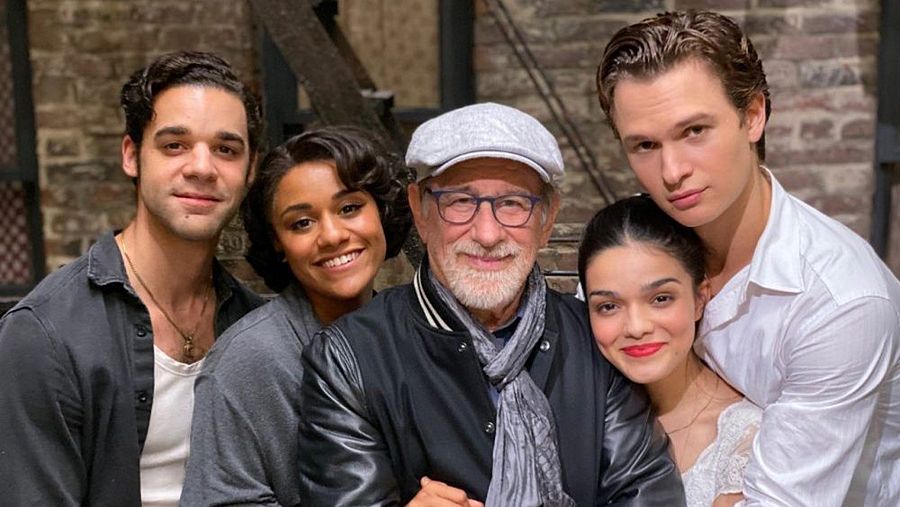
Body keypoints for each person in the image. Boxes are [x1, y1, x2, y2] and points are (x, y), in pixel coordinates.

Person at [296, 102, 684, 506]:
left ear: (548, 218)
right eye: (460, 201)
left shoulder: (595, 341)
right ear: (420, 211)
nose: (487, 233)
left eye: (513, 203)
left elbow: (647, 493)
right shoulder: (347, 359)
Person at [596, 10, 900, 506]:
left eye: (695, 131)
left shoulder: (839, 303)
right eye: (646, 145)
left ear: (753, 115)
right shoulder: (640, 248)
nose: (672, 171)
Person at [0, 51, 265, 506]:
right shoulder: (45, 336)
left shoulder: (253, 326)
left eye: (226, 149)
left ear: (250, 170)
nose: (202, 167)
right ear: (131, 155)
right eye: (175, 145)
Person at [180, 126, 413, 506]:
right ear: (278, 242)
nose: (332, 235)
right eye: (302, 223)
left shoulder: (416, 332)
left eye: (349, 208)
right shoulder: (246, 362)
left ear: (381, 211)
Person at [578, 195, 762, 507]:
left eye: (661, 299)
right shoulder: (581, 418)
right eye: (608, 306)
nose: (636, 327)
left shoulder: (749, 441)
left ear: (700, 299)